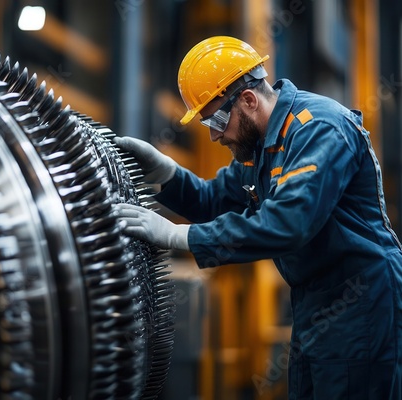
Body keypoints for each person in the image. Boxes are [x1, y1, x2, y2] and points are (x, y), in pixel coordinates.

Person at [115, 36, 402, 399]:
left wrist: (179, 237)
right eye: (207, 125)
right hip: (316, 302)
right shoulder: (262, 148)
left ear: (248, 100)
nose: (216, 135)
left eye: (217, 119)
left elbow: (288, 223)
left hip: (363, 302)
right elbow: (212, 199)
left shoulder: (318, 129)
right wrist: (166, 175)